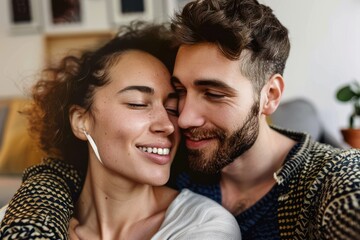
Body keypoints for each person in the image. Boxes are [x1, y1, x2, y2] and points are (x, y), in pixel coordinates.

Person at [1, 0, 360, 239]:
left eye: (214, 93)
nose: (181, 120)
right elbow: (65, 171)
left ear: (270, 96)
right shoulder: (178, 158)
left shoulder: (331, 180)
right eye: (180, 94)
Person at [0, 22, 241, 239]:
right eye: (137, 103)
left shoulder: (206, 226)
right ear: (81, 121)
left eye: (172, 108)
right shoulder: (17, 222)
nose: (167, 125)